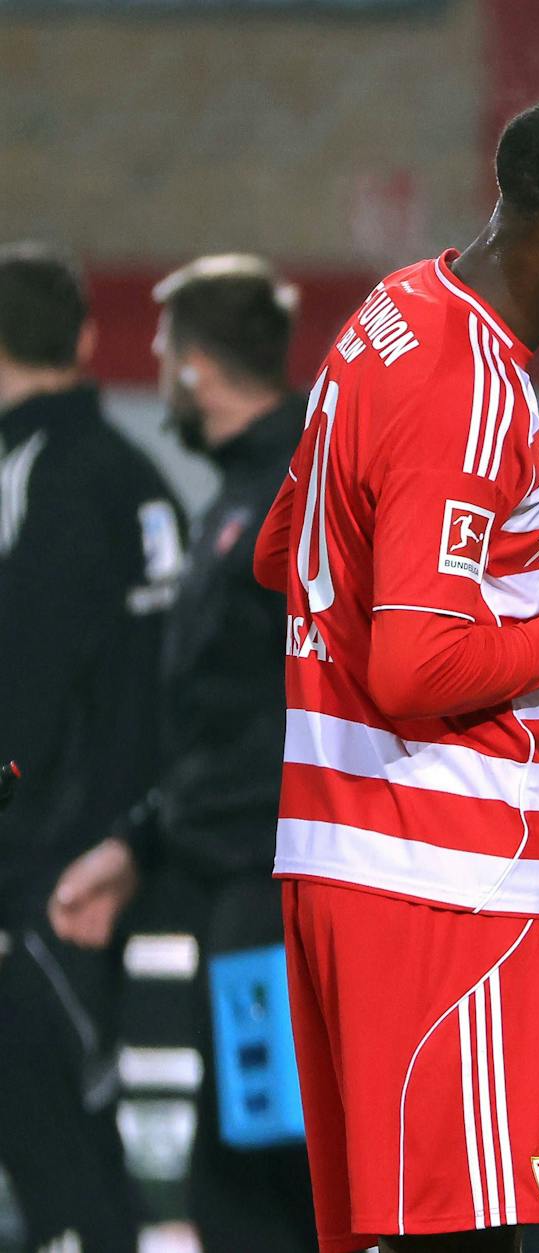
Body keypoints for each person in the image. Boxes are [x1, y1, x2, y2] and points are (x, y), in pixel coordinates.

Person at [251, 91, 539, 1253]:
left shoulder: (391, 313)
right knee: (469, 1243)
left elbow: (276, 550)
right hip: (449, 887)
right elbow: (413, 664)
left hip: (347, 859)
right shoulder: (468, 387)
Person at [46, 254, 319, 1250]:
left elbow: (284, 712)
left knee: (275, 1150)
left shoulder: (295, 494)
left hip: (273, 882)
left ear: (195, 365)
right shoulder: (243, 492)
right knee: (236, 1144)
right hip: (227, 875)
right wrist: (142, 842)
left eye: (164, 353)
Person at [0, 241, 183, 1253]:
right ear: (79, 336)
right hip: (130, 847)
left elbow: (20, 699)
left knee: (56, 1150)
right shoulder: (138, 475)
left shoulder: (38, 475)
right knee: (86, 1129)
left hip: (40, 868)